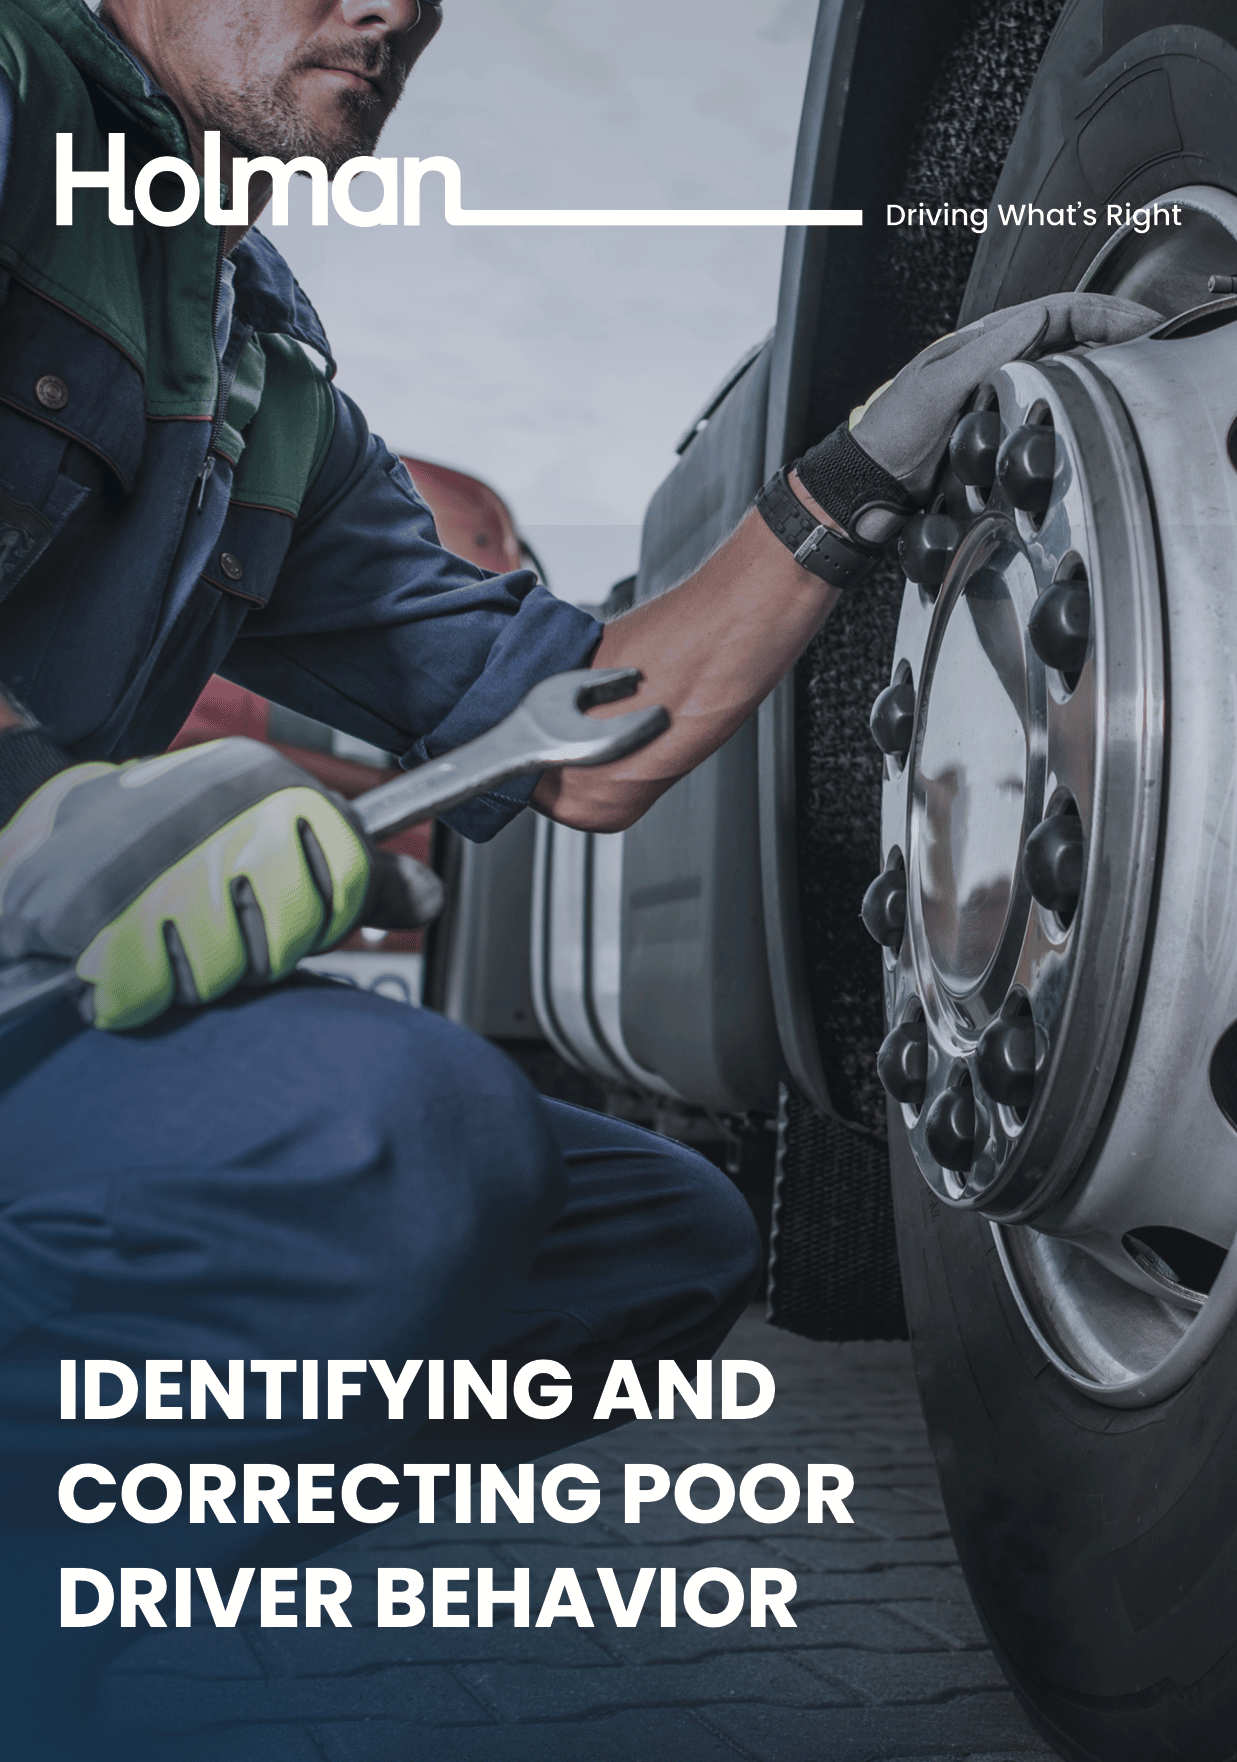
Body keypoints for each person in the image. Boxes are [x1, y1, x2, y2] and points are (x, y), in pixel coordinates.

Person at [0, 0, 1157, 1748]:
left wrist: (866, 460)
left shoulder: (263, 384)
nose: (397, 11)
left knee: (643, 1239)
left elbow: (591, 738)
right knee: (374, 1132)